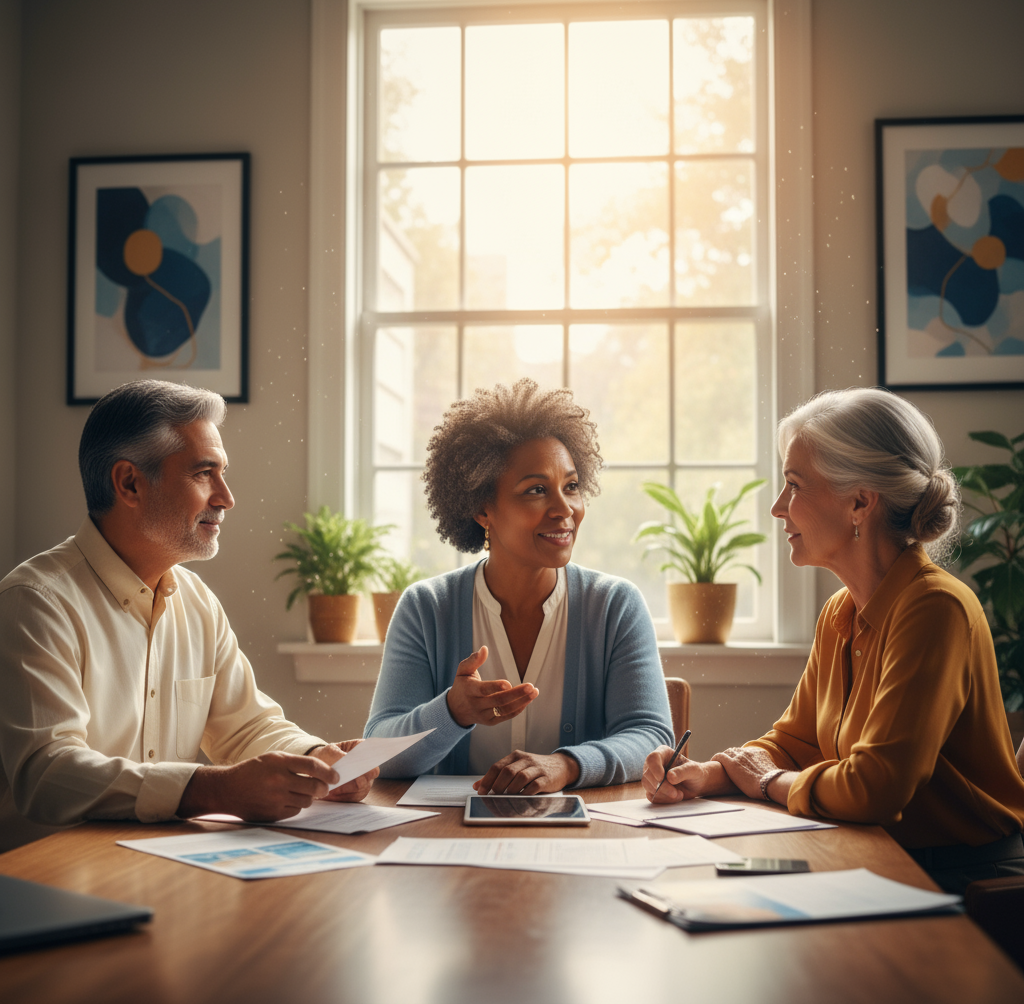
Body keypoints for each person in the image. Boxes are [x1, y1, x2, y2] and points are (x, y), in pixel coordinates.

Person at [643, 388, 1024, 893]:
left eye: (794, 485)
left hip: (964, 879)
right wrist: (708, 774)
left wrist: (763, 780)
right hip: (878, 855)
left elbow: (874, 789)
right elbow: (794, 742)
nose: (779, 508)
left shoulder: (936, 608)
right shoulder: (840, 611)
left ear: (860, 503)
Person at [0, 380, 377, 853]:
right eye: (205, 474)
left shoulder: (196, 601)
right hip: (46, 879)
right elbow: (49, 774)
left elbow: (245, 726)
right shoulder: (35, 602)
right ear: (129, 483)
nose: (226, 497)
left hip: (157, 862)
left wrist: (315, 760)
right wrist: (212, 789)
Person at [364, 379, 673, 793]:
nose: (565, 510)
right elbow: (377, 749)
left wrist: (567, 765)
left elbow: (651, 736)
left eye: (572, 486)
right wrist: (452, 711)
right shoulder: (426, 608)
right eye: (536, 491)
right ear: (481, 509)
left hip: (585, 839)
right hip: (450, 841)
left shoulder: (615, 606)